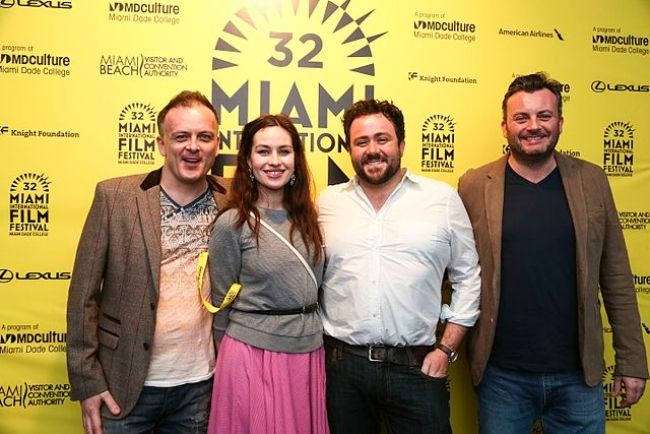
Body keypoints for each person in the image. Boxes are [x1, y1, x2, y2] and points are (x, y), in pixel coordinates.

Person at [458, 72, 648, 433]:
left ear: (560, 122)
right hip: (502, 377)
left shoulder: (591, 181)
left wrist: (632, 361)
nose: (534, 126)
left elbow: (617, 277)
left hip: (579, 376)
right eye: (521, 118)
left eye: (544, 116)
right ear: (504, 127)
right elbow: (460, 273)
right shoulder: (473, 186)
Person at [66, 90, 229, 434]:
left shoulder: (234, 198)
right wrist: (87, 381)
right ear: (160, 143)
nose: (193, 147)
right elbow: (83, 295)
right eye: (181, 136)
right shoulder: (115, 198)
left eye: (204, 137)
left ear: (217, 143)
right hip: (122, 384)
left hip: (200, 387)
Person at [318, 99, 481, 434]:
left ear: (401, 144)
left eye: (382, 139)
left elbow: (469, 276)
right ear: (349, 149)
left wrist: (446, 348)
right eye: (361, 142)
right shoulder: (327, 202)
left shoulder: (442, 199)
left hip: (417, 368)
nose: (372, 150)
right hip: (341, 369)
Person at [207, 114, 328, 434]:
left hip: (308, 354)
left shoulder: (310, 217)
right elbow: (221, 303)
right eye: (263, 151)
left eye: (284, 151)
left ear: (296, 160)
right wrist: (228, 366)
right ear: (247, 160)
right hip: (253, 355)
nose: (274, 161)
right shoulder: (232, 223)